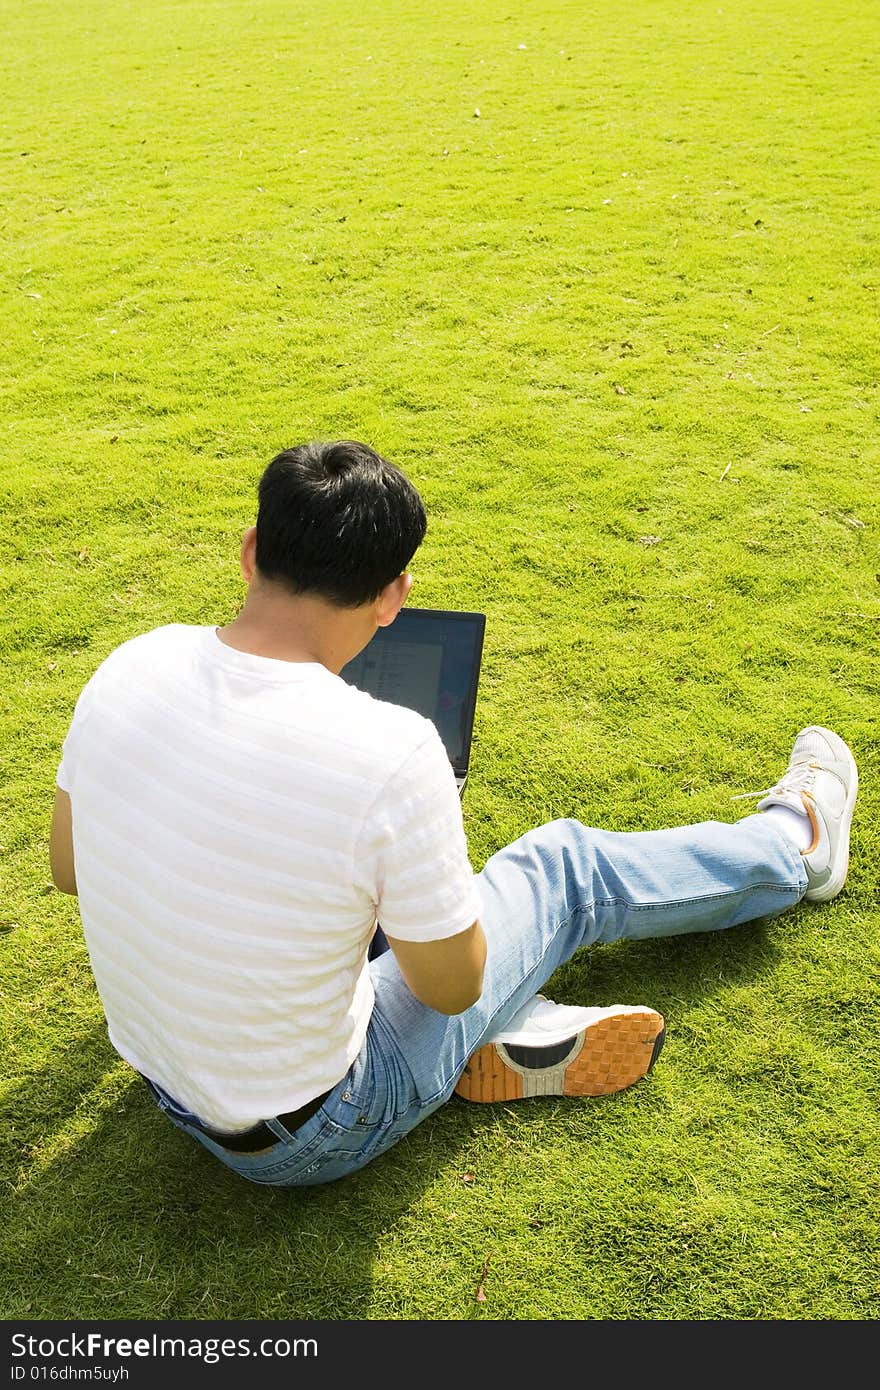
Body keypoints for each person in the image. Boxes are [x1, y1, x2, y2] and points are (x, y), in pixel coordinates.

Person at [49, 439, 859, 1187]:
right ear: (394, 595)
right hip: (314, 1131)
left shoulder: (132, 664)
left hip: (167, 1087)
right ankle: (798, 847)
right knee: (561, 869)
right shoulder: (391, 749)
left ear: (251, 549)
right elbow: (450, 985)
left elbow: (70, 869)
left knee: (341, 890)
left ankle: (518, 1030)